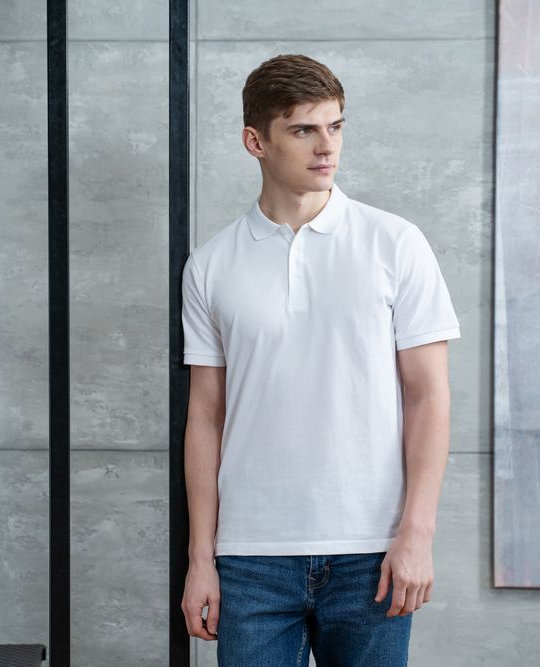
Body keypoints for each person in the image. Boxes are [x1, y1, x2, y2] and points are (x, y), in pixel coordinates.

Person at [179, 54, 461, 666]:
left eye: (335, 126)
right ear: (256, 141)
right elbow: (205, 416)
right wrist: (201, 558)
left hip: (372, 551)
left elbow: (429, 396)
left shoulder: (395, 243)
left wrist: (417, 532)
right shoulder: (210, 265)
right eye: (303, 130)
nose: (326, 146)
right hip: (250, 556)